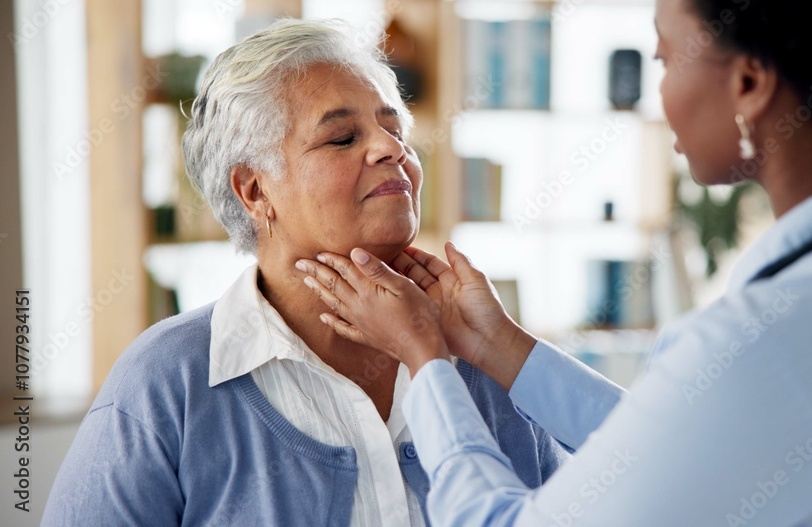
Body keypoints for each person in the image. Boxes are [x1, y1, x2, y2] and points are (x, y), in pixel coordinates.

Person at [298, 0, 812, 525]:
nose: (659, 94)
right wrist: (503, 348)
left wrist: (426, 363)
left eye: (664, 59)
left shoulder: (766, 346)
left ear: (750, 84)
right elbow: (690, 445)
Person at [42, 19, 567, 526]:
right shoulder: (166, 382)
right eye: (342, 138)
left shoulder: (492, 363)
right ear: (255, 191)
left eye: (394, 128)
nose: (393, 149)